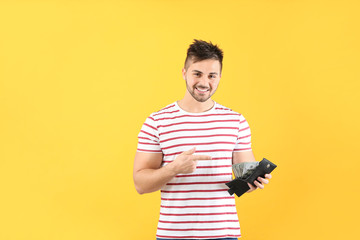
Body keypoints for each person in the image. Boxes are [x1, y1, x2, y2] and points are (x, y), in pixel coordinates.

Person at [133, 39, 272, 240]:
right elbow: (140, 185)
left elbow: (245, 178)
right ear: (184, 73)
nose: (204, 82)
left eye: (212, 75)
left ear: (220, 77)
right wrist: (174, 168)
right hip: (173, 235)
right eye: (197, 73)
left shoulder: (235, 121)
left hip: (223, 234)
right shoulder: (157, 121)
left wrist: (254, 181)